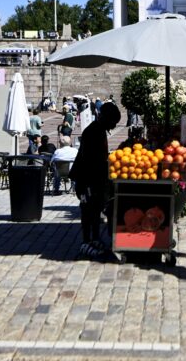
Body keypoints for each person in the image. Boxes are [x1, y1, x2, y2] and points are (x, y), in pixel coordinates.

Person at [68, 102, 122, 258]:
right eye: (112, 123)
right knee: (88, 210)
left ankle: (95, 238)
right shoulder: (92, 132)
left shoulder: (99, 130)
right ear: (104, 117)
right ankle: (86, 241)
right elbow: (89, 160)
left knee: (96, 210)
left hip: (95, 179)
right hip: (87, 179)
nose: (113, 127)